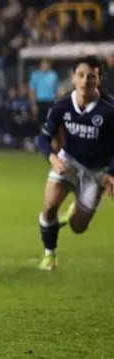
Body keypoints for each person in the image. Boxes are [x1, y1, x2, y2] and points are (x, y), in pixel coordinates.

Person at [36, 55, 114, 271]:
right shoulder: (62, 104)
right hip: (68, 162)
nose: (85, 81)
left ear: (98, 80)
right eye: (81, 75)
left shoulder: (109, 109)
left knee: (78, 227)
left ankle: (74, 213)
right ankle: (50, 254)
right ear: (73, 78)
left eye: (91, 76)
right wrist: (53, 159)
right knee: (50, 206)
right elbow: (42, 138)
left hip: (96, 171)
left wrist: (112, 173)